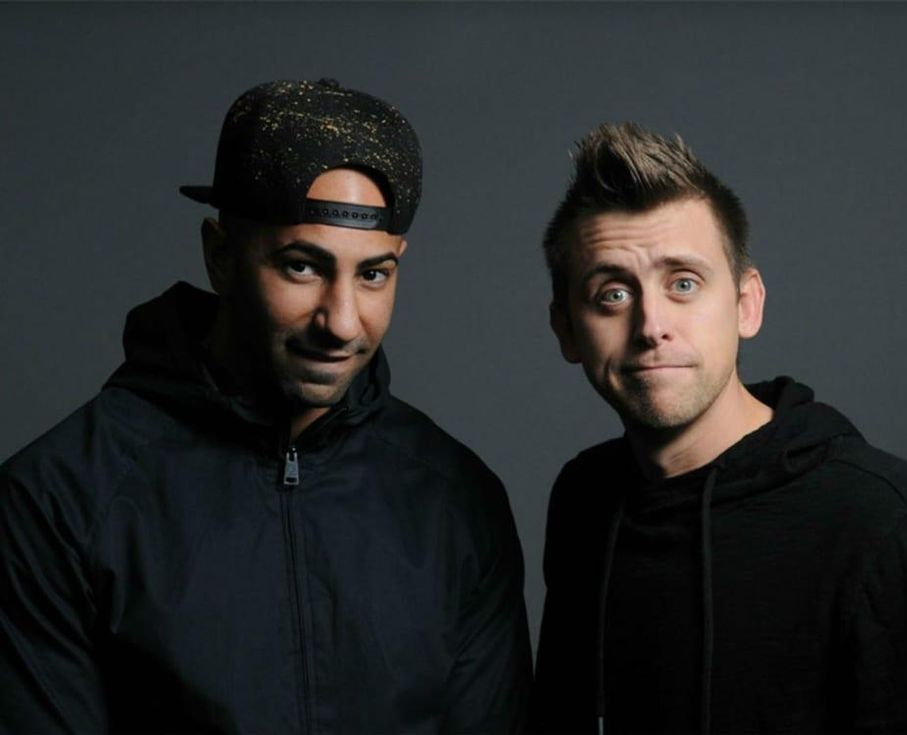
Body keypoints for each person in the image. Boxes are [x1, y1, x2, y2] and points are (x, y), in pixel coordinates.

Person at [0, 78, 531, 733]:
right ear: (221, 257)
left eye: (372, 274)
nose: (341, 322)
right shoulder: (56, 500)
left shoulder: (458, 498)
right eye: (303, 266)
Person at [529, 122, 907, 734]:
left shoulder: (886, 520)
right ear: (566, 330)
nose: (651, 326)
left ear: (747, 305)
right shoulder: (585, 498)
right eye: (612, 294)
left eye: (683, 284)